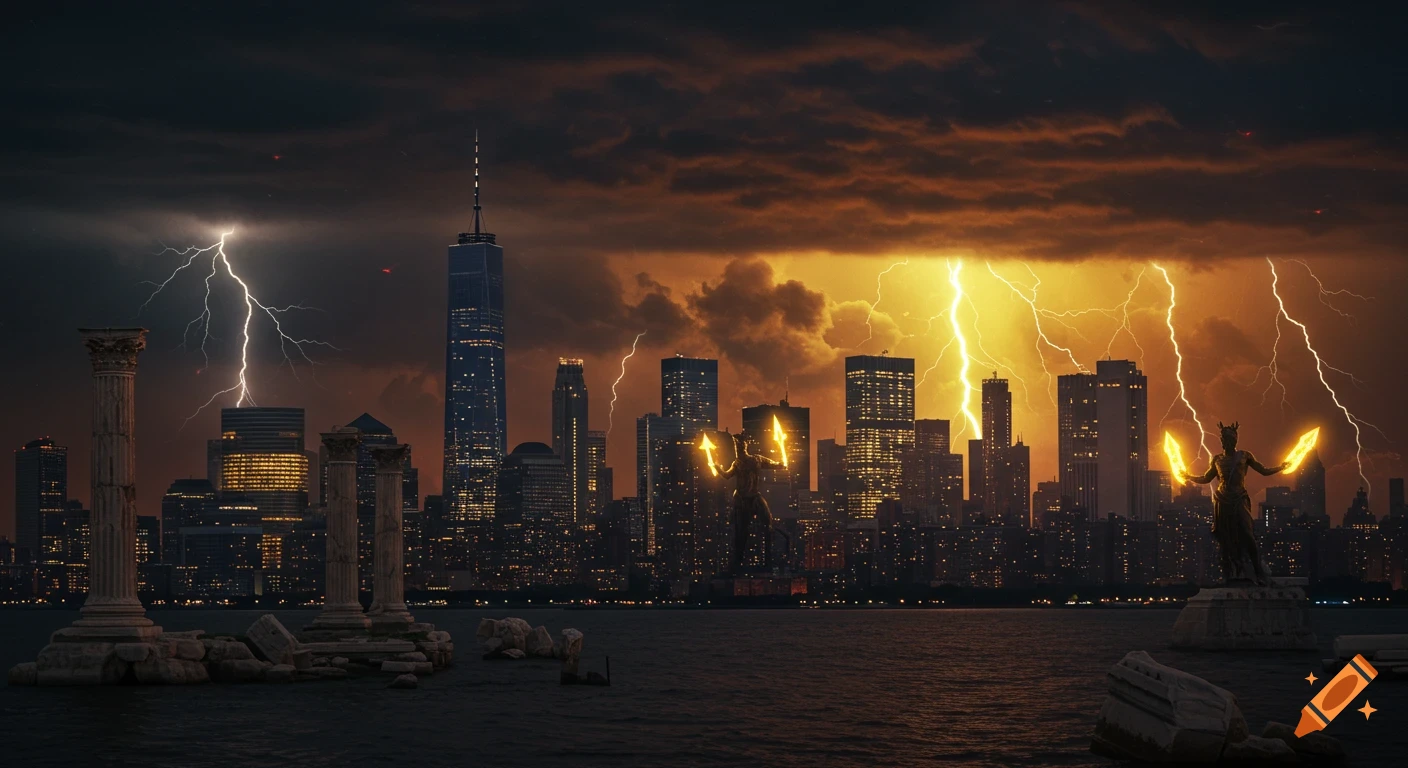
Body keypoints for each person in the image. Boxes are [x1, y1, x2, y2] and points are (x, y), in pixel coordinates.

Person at [1188, 421, 1286, 585]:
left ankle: (1258, 571)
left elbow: (1263, 471)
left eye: (1230, 439)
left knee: (1247, 534)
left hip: (1238, 497)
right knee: (1225, 538)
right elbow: (1206, 478)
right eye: (1224, 439)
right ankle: (1231, 573)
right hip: (1222, 499)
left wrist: (1280, 467)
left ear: (1235, 440)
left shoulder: (1244, 456)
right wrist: (1189, 476)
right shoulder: (1217, 459)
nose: (1227, 442)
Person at [722, 434, 781, 575]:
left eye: (740, 446)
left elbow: (771, 464)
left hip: (754, 497)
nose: (738, 448)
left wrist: (780, 465)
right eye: (737, 446)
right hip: (742, 499)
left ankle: (768, 559)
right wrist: (717, 468)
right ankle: (738, 563)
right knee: (741, 532)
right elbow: (727, 475)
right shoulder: (737, 463)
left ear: (745, 446)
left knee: (767, 521)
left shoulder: (756, 459)